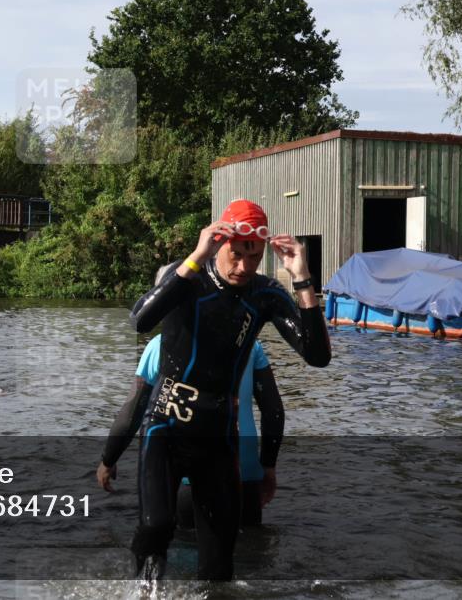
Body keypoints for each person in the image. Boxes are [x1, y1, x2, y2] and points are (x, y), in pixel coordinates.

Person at [116, 198, 330, 583]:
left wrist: (302, 278)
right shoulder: (191, 280)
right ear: (220, 244)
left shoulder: (263, 294)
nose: (245, 267)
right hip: (166, 425)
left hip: (218, 438)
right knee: (156, 525)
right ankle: (142, 591)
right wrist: (197, 255)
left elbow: (317, 356)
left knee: (218, 567)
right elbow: (140, 320)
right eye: (237, 254)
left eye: (254, 257)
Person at [98, 334, 284, 528]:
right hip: (244, 476)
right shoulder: (249, 344)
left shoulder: (161, 345)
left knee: (184, 549)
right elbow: (274, 411)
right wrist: (268, 467)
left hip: (187, 477)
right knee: (251, 552)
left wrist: (108, 459)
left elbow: (132, 413)